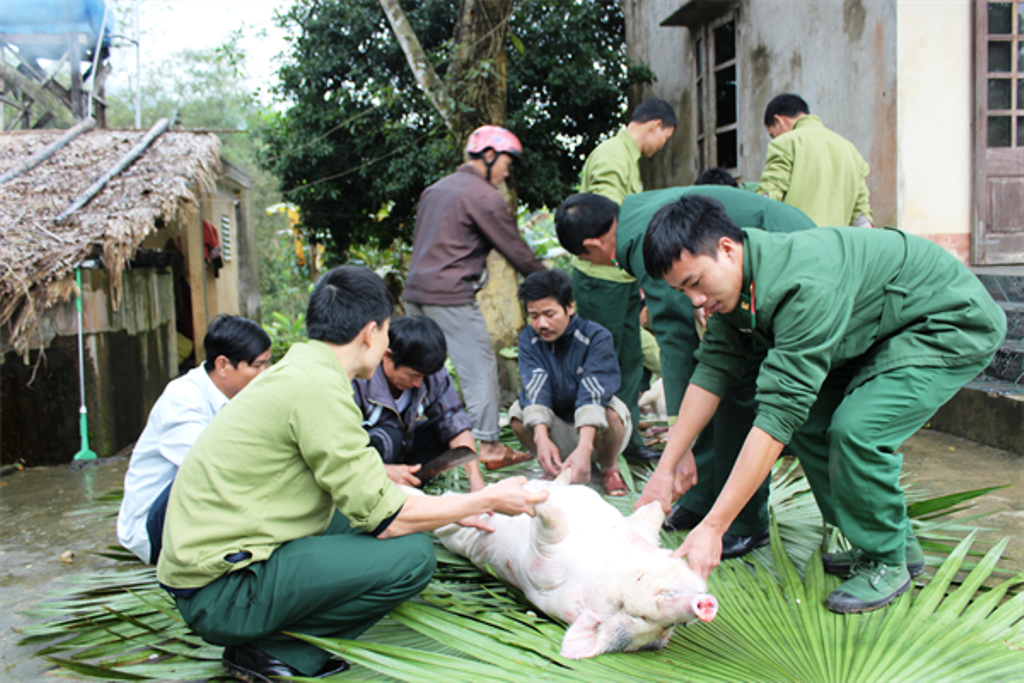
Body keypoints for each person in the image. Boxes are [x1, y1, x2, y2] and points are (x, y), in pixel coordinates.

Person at [157, 266, 548, 683]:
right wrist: (486, 499)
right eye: (386, 332)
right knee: (412, 556)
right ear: (369, 332)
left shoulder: (305, 371)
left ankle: (269, 641)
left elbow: (369, 492)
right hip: (222, 593)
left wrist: (450, 509)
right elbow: (388, 517)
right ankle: (273, 650)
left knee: (357, 523)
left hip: (213, 570)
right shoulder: (319, 390)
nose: (385, 346)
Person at [637, 196, 1005, 613]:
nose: (695, 301)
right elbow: (712, 371)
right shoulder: (739, 285)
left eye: (695, 282)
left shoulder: (802, 285)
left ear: (726, 248)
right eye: (682, 290)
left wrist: (714, 527)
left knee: (858, 430)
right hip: (882, 329)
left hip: (947, 321)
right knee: (812, 423)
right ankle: (890, 542)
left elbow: (777, 414)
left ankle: (887, 560)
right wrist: (666, 467)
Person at [555, 188, 815, 558]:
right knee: (713, 385)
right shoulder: (635, 215)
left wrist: (679, 432)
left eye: (587, 258)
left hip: (780, 267)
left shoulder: (643, 239)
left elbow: (674, 336)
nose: (598, 264)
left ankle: (744, 521)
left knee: (738, 391)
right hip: (752, 277)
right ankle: (701, 496)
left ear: (592, 243)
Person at [404, 125, 544, 470]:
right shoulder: (482, 195)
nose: (508, 171)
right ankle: (490, 447)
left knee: (419, 370)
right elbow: (513, 247)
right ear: (489, 155)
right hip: (450, 295)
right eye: (507, 162)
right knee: (479, 368)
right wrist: (549, 281)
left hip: (415, 294)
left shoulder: (434, 191)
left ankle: (405, 439)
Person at [117, 314, 271, 564]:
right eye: (257, 366)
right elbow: (210, 468)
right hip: (152, 529)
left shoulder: (240, 396)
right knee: (211, 468)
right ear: (222, 365)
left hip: (190, 511)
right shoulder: (183, 398)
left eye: (267, 364)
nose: (265, 373)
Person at [573, 97, 677, 461]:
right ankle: (603, 448)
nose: (662, 146)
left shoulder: (624, 157)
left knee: (630, 359)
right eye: (665, 137)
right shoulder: (613, 156)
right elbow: (606, 223)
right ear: (655, 125)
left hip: (620, 277)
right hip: (603, 278)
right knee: (606, 361)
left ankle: (625, 439)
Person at [509, 270, 631, 497]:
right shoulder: (529, 338)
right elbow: (536, 388)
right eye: (533, 316)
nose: (541, 324)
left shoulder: (596, 336)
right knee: (517, 414)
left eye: (549, 313)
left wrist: (585, 448)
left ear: (570, 307)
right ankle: (551, 465)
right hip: (558, 429)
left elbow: (593, 392)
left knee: (612, 412)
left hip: (596, 434)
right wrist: (541, 438)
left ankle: (609, 469)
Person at [353, 315, 485, 492]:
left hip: (404, 452)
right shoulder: (358, 379)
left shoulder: (430, 374)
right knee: (389, 437)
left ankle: (410, 483)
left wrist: (476, 482)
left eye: (424, 376)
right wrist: (384, 471)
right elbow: (340, 448)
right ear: (387, 356)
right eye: (413, 375)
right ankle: (383, 492)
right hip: (365, 464)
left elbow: (454, 419)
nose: (418, 384)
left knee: (445, 434)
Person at [756, 93, 873, 227]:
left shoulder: (785, 143)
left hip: (795, 244)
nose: (774, 138)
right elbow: (862, 219)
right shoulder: (851, 151)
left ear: (778, 121)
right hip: (836, 246)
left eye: (772, 134)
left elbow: (766, 201)